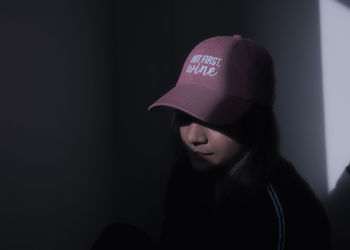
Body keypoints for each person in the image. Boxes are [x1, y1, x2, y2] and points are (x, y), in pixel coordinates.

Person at [148, 35, 331, 250]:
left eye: (214, 119)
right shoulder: (185, 174)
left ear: (254, 122)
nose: (193, 137)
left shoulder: (286, 206)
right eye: (184, 116)